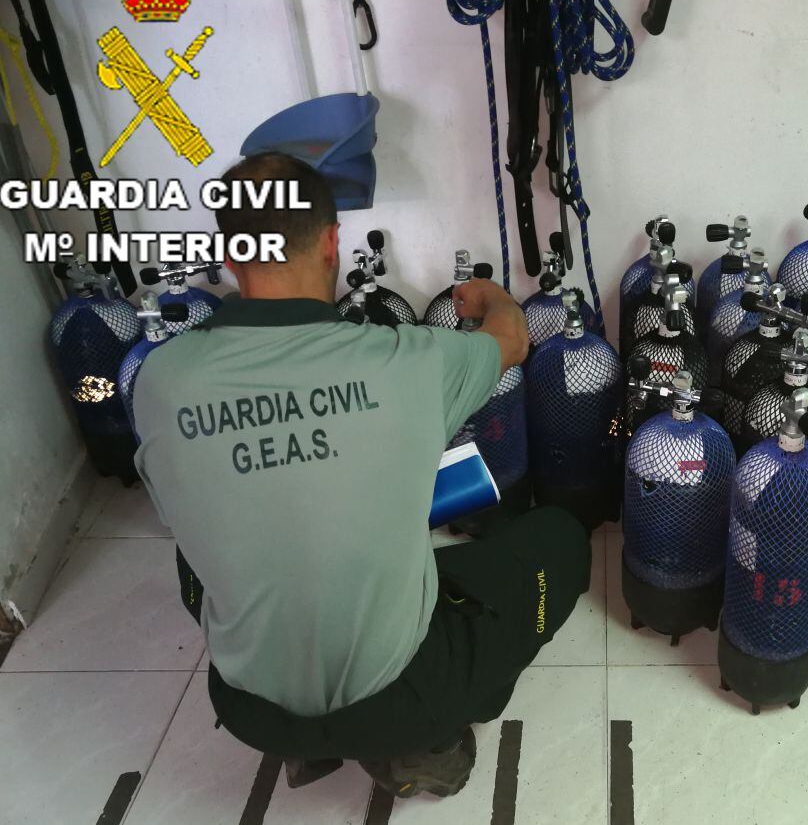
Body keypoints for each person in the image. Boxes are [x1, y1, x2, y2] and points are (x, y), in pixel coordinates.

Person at [134, 152, 591, 798]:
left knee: (202, 540)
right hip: (397, 694)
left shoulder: (160, 379)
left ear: (233, 254)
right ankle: (422, 747)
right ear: (330, 242)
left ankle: (306, 746)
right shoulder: (409, 360)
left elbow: (183, 504)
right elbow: (511, 339)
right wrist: (488, 297)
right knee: (558, 538)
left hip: (250, 703)